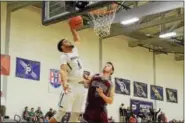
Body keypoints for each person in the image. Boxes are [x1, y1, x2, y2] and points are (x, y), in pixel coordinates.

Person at [49, 27, 86, 122]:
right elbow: (63, 70)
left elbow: (77, 39)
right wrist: (64, 83)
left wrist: (73, 29)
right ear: (62, 47)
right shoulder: (63, 57)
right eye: (65, 41)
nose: (68, 41)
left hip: (81, 87)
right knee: (60, 113)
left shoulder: (75, 51)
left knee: (76, 114)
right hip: (71, 86)